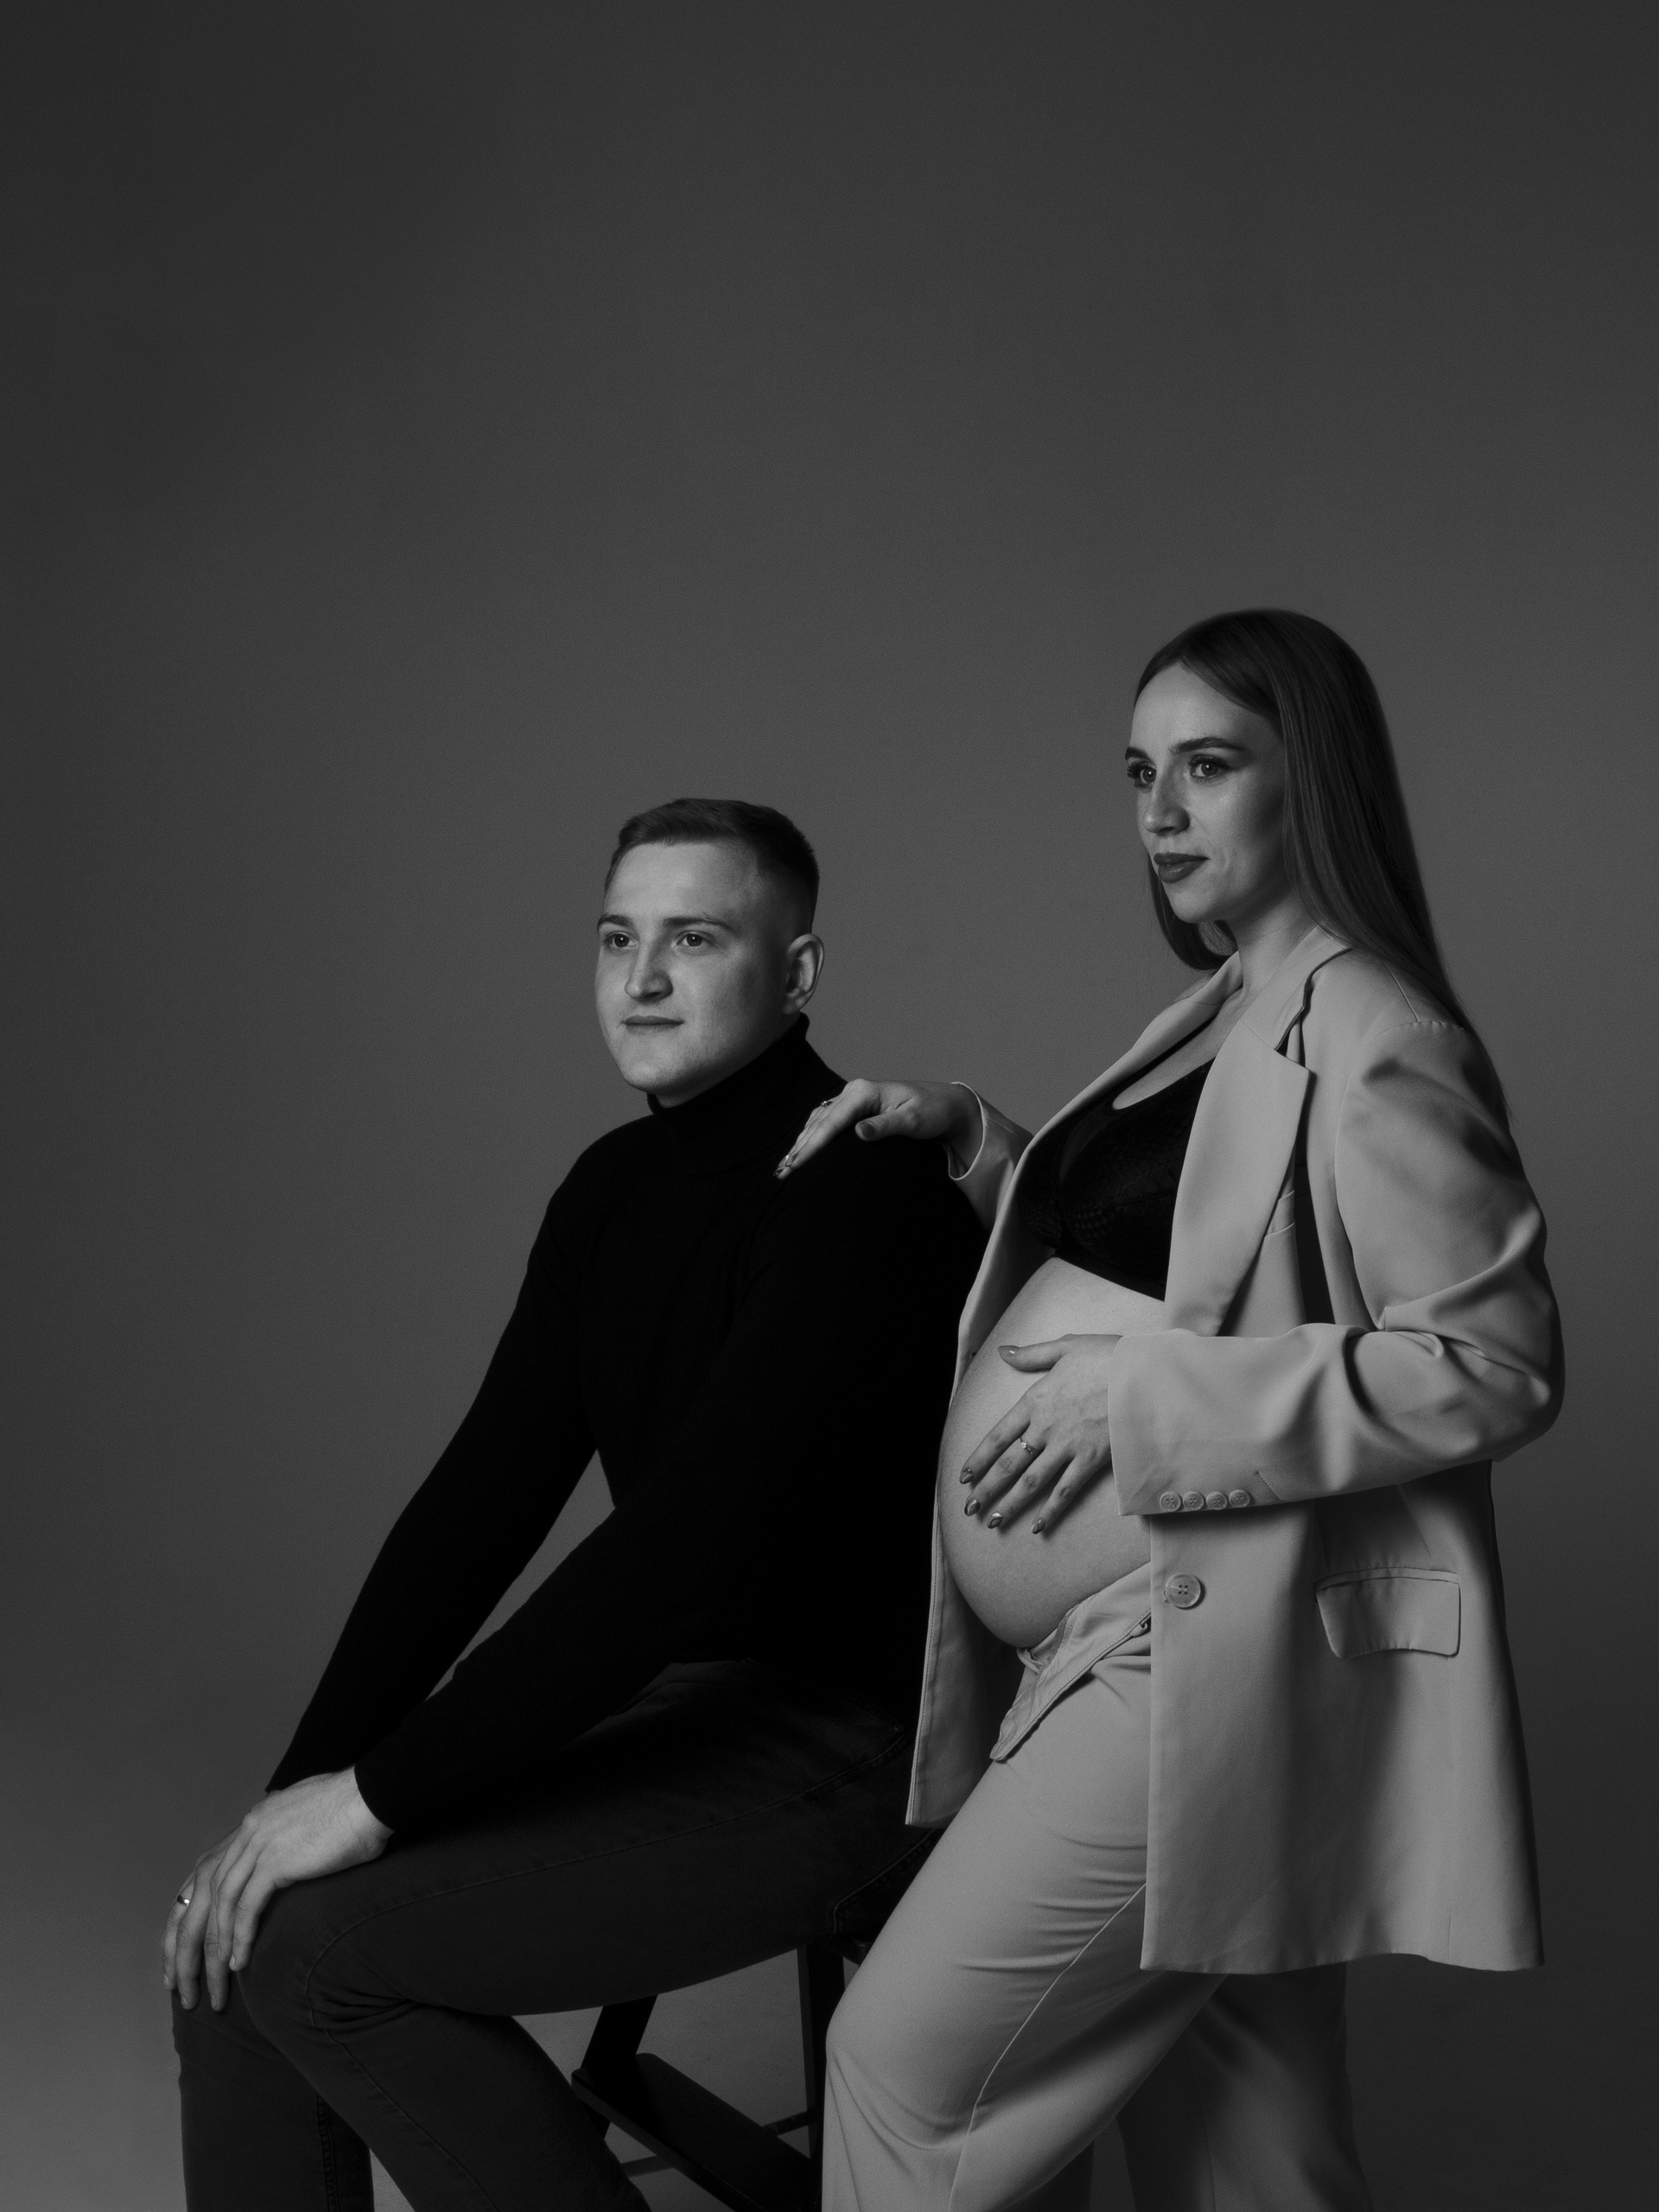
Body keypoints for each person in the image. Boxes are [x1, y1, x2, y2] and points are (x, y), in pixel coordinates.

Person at [778, 611, 1563, 2211]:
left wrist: (1140, 1402)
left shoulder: (1381, 1032)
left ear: (1309, 778)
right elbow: (1177, 1246)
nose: (1162, 811)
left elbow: (1492, 1362)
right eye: (1141, 774)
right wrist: (972, 1141)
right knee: (1245, 2163)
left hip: (1204, 1651)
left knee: (896, 2069)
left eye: (1209, 766)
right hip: (1116, 1647)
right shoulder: (1222, 1006)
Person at [163, 798, 986, 2212]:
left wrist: (377, 1797)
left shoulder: (865, 1190)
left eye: (695, 940)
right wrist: (288, 1800)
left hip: (857, 1747)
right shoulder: (611, 1189)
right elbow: (475, 1508)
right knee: (234, 1950)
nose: (643, 979)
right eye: (617, 939)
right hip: (686, 1702)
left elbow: (685, 1554)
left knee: (315, 1957)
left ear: (797, 973)